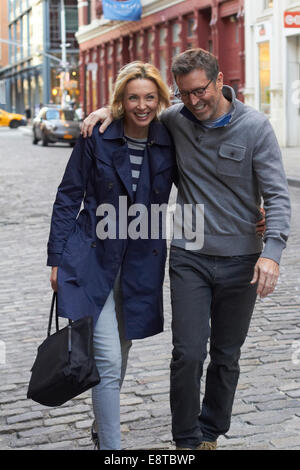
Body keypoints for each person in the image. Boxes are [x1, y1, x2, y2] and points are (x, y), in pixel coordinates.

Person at [81, 48, 291, 450]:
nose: (195, 101)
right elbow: (135, 110)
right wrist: (100, 113)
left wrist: (272, 252)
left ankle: (210, 431)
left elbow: (279, 197)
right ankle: (186, 442)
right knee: (188, 353)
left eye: (201, 91)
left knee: (226, 355)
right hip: (189, 254)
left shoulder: (256, 127)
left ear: (219, 79)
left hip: (243, 260)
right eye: (185, 94)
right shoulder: (175, 120)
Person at [46, 61, 177, 450]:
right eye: (132, 97)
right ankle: (111, 449)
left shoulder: (171, 136)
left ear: (160, 99)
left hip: (140, 265)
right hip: (92, 258)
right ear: (119, 99)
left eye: (149, 97)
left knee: (119, 353)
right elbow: (69, 196)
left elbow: (206, 165)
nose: (142, 105)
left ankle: (102, 426)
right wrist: (56, 258)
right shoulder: (97, 136)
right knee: (107, 361)